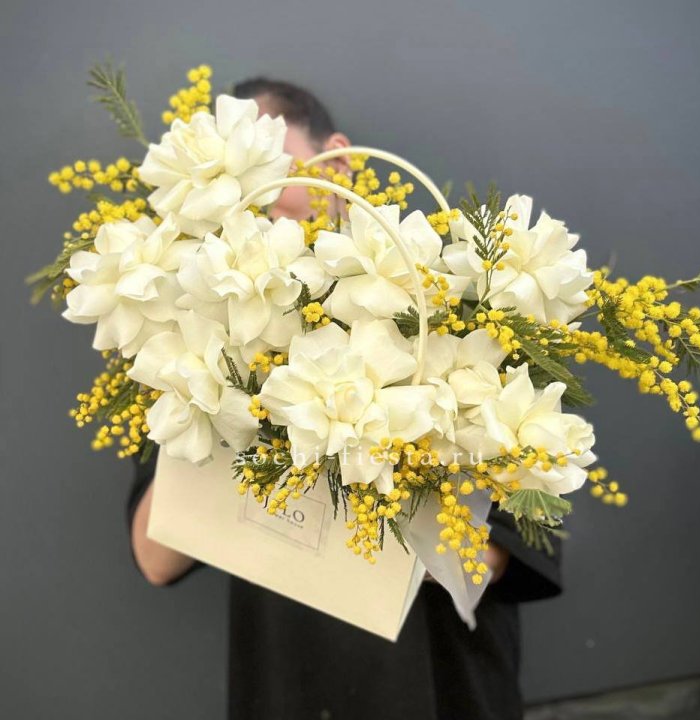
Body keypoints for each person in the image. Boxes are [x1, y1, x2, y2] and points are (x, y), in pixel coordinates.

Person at [128, 78, 563, 720]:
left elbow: (529, 538)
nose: (252, 195)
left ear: (335, 163)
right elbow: (155, 558)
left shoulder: (454, 302)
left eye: (268, 166)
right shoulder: (189, 344)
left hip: (441, 685)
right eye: (228, 181)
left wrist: (412, 514)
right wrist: (217, 386)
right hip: (288, 686)